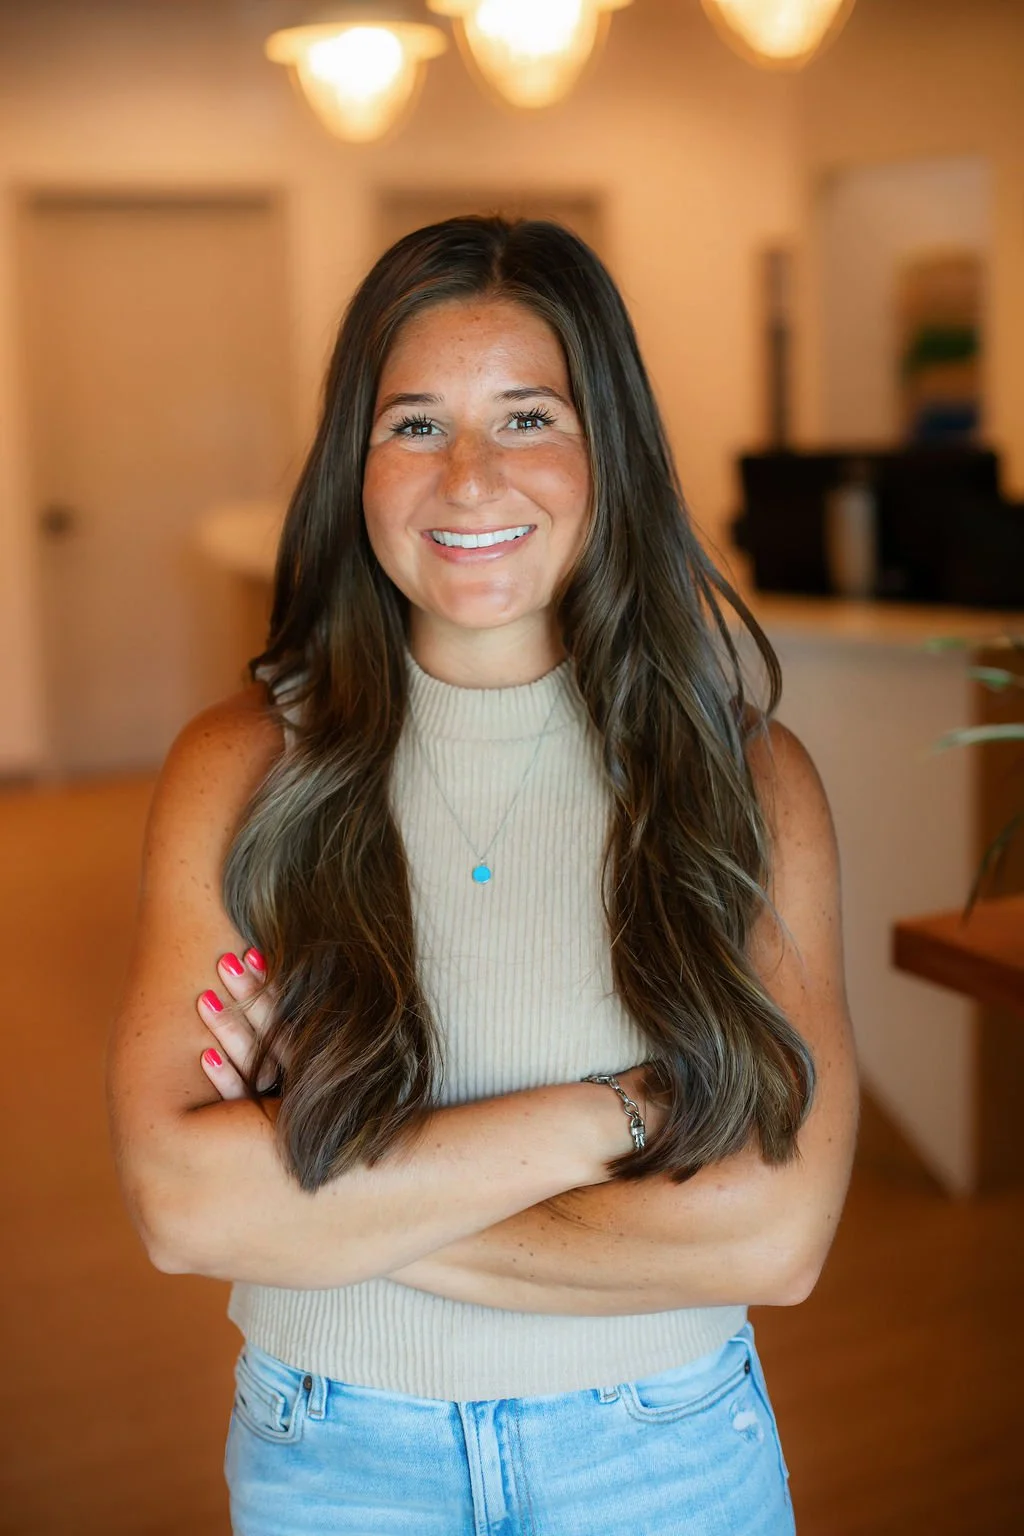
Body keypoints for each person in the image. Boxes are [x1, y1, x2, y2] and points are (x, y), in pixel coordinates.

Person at [108, 215, 859, 1535]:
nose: (468, 479)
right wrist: (619, 1114)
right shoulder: (239, 766)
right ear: (355, 460)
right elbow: (181, 1211)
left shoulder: (745, 780)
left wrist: (322, 1195)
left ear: (607, 451)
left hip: (666, 1449)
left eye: (526, 418)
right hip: (330, 1454)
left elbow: (776, 1242)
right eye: (413, 425)